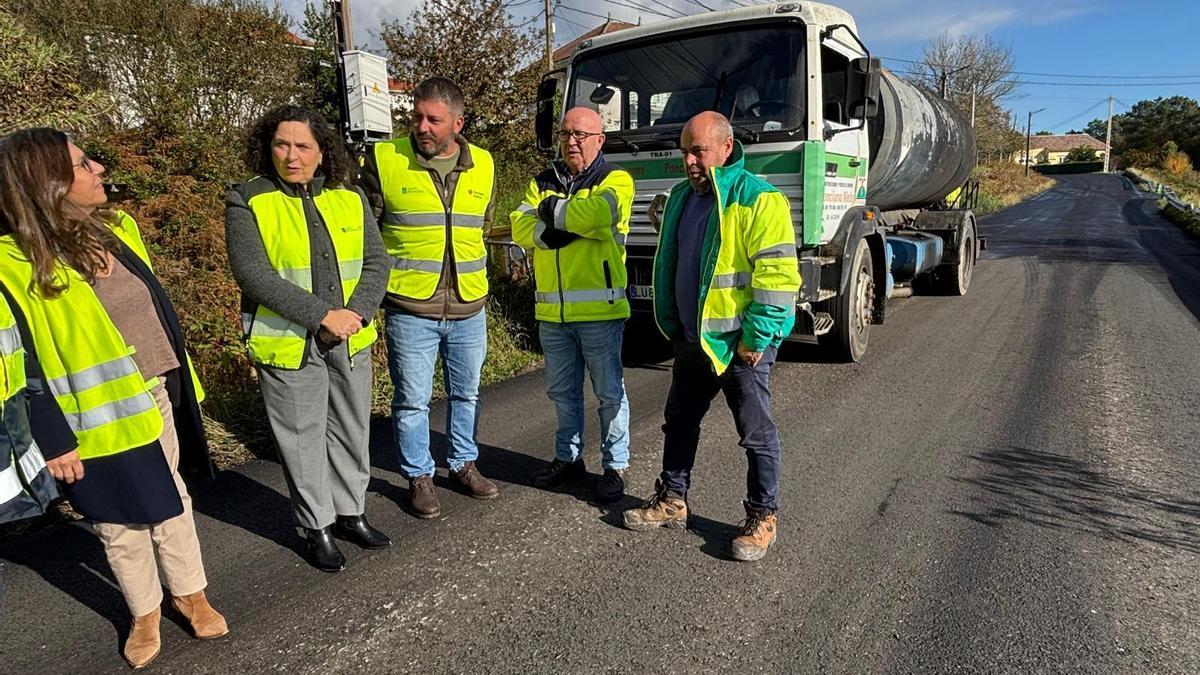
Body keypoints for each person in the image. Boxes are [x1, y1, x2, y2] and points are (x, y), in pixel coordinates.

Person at [0, 128, 227, 668]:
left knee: (172, 499)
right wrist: (52, 439)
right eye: (82, 164)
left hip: (156, 393)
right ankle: (144, 612)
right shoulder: (11, 264)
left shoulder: (118, 230)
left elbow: (151, 311)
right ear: (48, 183)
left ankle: (190, 595)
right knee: (116, 522)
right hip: (88, 422)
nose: (98, 167)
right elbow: (15, 363)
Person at [622, 112, 801, 562]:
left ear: (726, 147)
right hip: (693, 340)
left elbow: (778, 276)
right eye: (685, 150)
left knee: (755, 433)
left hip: (741, 344)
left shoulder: (760, 199)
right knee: (679, 422)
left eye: (698, 150)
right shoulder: (682, 197)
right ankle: (673, 500)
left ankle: (763, 516)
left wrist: (756, 337)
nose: (689, 160)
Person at [225, 106, 391, 573]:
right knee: (302, 439)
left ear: (323, 151)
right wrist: (322, 315)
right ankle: (316, 526)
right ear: (267, 147)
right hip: (288, 341)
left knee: (353, 431)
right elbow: (253, 274)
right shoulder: (247, 199)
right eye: (282, 144)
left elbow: (377, 263)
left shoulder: (351, 197)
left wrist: (354, 314)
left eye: (303, 146)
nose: (291, 156)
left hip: (350, 337)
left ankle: (351, 513)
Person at [358, 77, 499, 518]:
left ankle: (462, 464)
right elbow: (366, 233)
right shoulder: (384, 160)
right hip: (410, 306)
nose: (422, 126)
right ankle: (419, 476)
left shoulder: (485, 164)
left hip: (468, 305)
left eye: (434, 119)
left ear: (457, 122)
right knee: (412, 398)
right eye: (416, 116)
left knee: (467, 393)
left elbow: (482, 225)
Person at [509, 107, 635, 503]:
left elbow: (601, 213)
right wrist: (566, 228)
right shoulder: (542, 179)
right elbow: (519, 226)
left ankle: (616, 466)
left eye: (581, 134)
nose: (571, 141)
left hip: (600, 311)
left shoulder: (616, 179)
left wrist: (549, 214)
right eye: (565, 134)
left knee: (610, 394)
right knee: (562, 393)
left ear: (600, 140)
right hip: (552, 313)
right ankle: (568, 459)